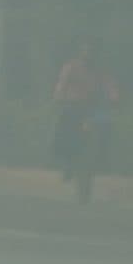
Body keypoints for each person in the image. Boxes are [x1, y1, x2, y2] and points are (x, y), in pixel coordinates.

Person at [52, 40, 121, 204]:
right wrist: (60, 96)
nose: (89, 55)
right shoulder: (71, 67)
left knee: (106, 128)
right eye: (86, 51)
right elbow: (61, 86)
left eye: (92, 52)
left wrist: (114, 97)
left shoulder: (101, 70)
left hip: (93, 109)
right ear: (80, 52)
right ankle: (67, 163)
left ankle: (103, 159)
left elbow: (111, 86)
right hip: (74, 107)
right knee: (63, 134)